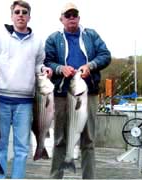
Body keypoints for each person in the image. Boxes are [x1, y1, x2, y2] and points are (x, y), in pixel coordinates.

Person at [0, 0, 52, 178]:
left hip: (25, 103)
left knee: (22, 148)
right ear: (11, 16)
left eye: (24, 12)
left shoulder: (38, 41)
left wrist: (44, 70)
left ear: (29, 17)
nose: (20, 15)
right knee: (0, 146)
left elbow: (39, 65)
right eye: (17, 12)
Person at [44, 2, 111, 179]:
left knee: (88, 140)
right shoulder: (53, 39)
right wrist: (60, 69)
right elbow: (46, 61)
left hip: (88, 94)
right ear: (62, 19)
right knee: (59, 139)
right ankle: (55, 176)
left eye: (75, 15)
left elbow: (105, 55)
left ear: (79, 18)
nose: (71, 18)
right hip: (60, 95)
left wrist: (91, 65)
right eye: (68, 15)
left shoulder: (91, 35)